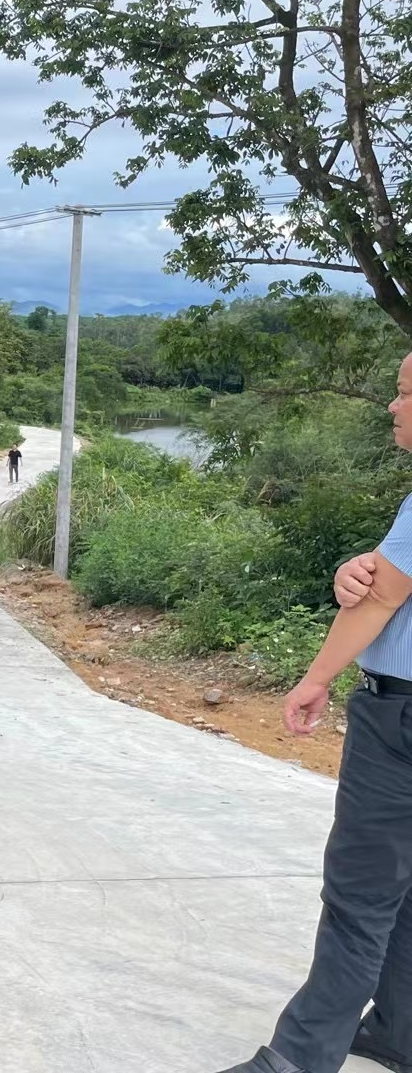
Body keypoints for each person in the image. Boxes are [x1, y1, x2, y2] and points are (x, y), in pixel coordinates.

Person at [215, 352, 412, 1073]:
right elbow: (386, 578)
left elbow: (383, 597)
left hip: (400, 722)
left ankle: (298, 1059)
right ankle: (400, 1030)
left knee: (361, 894)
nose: (393, 406)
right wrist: (355, 570)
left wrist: (316, 678)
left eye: (404, 393)